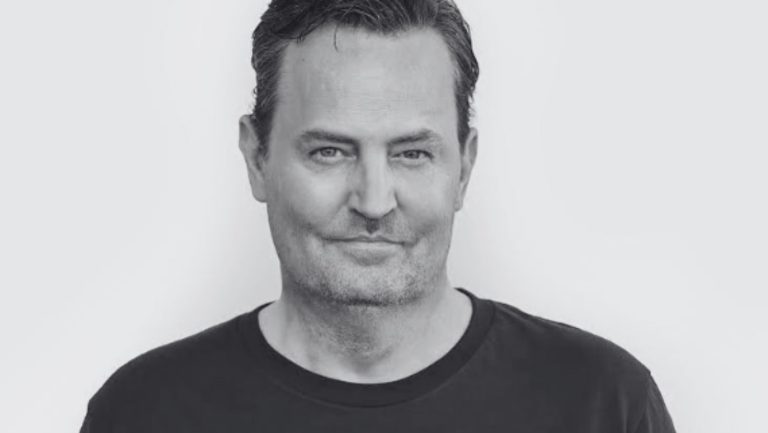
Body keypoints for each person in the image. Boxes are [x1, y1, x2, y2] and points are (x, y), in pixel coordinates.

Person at [80, 0, 676, 431]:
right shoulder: (143, 412)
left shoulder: (603, 403)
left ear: (464, 167)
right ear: (257, 159)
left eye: (412, 153)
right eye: (329, 152)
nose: (373, 201)